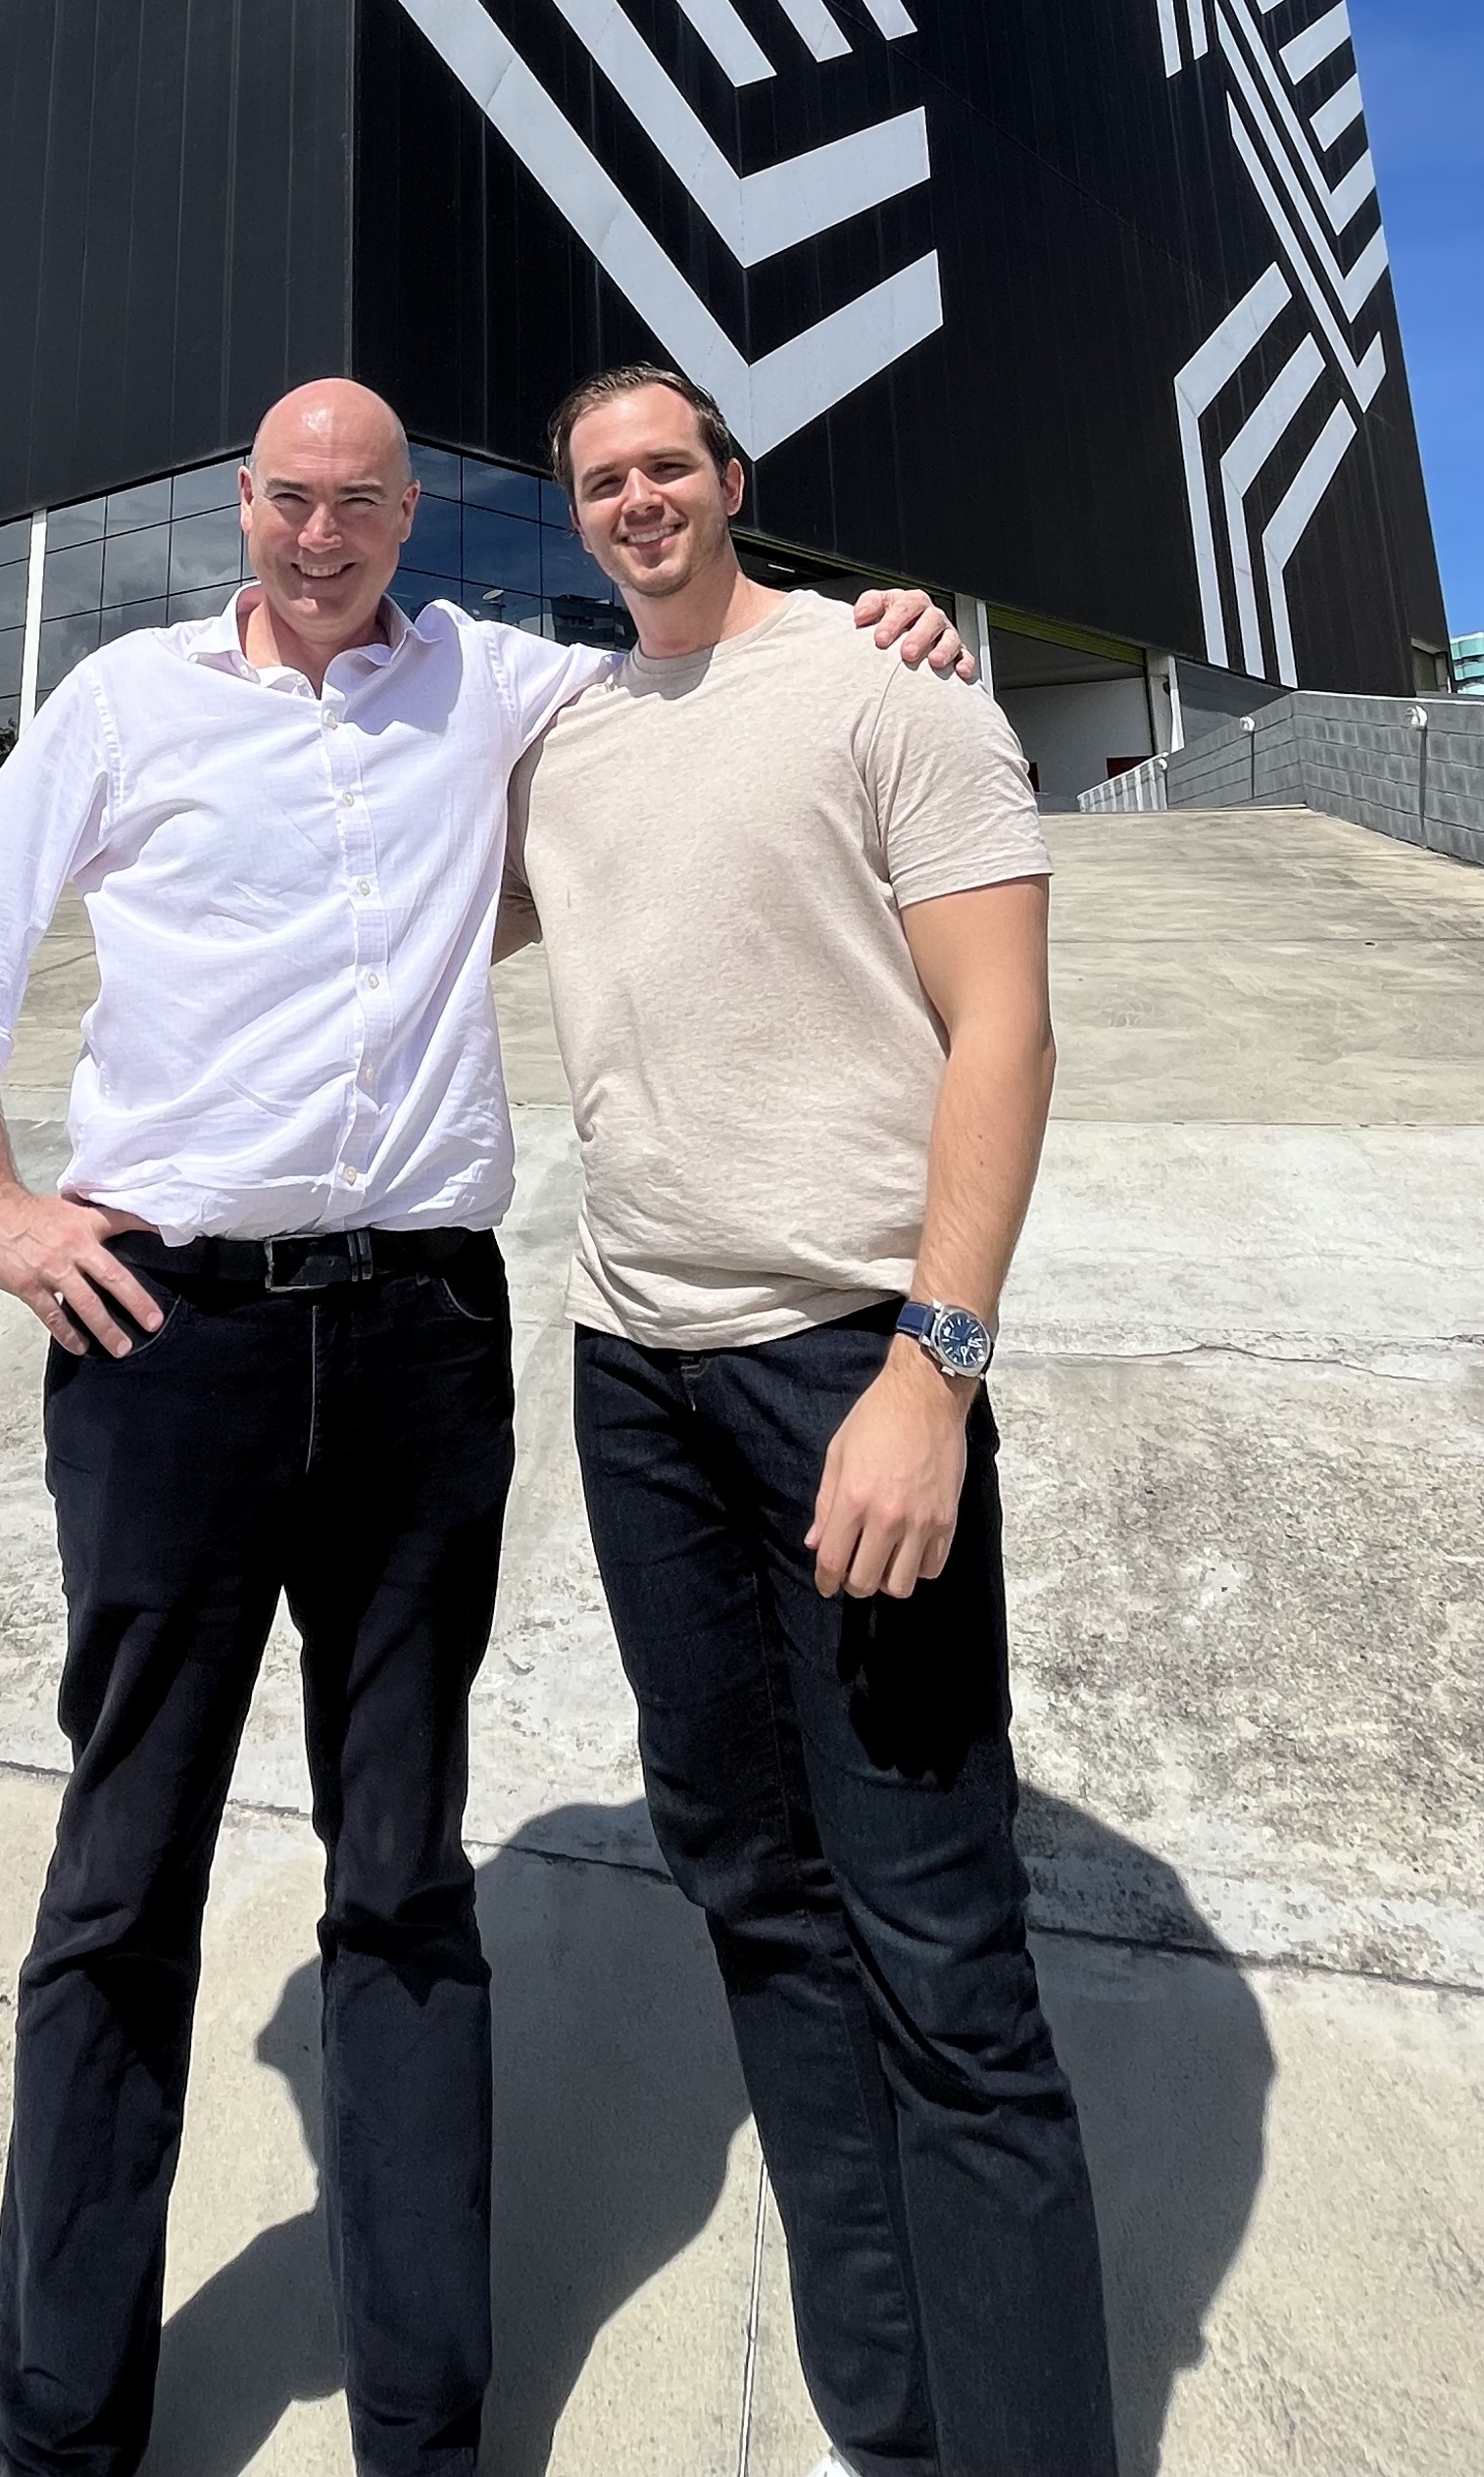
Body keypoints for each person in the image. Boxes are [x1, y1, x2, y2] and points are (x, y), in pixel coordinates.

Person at [0, 377, 968, 2477]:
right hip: (164, 1342)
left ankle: (425, 2428)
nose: (324, 533)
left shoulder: (491, 684)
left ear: (408, 521)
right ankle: (61, 2428)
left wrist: (872, 612)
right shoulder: (123, 697)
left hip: (416, 1346)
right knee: (121, 1879)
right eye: (292, 497)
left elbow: (694, 648)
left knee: (403, 1876)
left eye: (365, 503)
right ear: (244, 505)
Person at [511, 361, 1116, 2477]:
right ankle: (890, 2423)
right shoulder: (567, 741)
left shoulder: (895, 693)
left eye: (668, 464)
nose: (635, 501)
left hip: (850, 1367)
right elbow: (371, 903)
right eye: (601, 480)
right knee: (754, 1897)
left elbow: (1005, 1027)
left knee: (941, 1949)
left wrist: (931, 1373)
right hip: (634, 1381)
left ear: (733, 482)